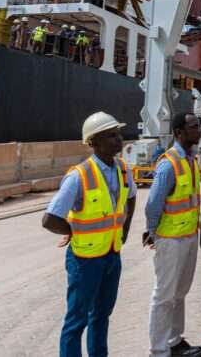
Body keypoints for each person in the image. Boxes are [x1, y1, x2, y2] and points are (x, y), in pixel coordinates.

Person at [42, 111, 136, 357]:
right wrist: (72, 231)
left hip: (111, 255)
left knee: (101, 317)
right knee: (77, 321)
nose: (119, 140)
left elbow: (132, 198)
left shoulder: (124, 170)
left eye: (119, 134)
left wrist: (124, 230)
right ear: (94, 143)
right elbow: (50, 219)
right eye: (112, 136)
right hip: (84, 261)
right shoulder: (79, 176)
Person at [143, 112, 201, 357]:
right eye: (193, 127)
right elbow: (153, 204)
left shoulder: (191, 159)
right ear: (179, 133)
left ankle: (174, 340)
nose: (199, 130)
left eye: (198, 125)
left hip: (188, 236)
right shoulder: (169, 163)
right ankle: (158, 350)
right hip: (170, 239)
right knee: (164, 295)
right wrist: (152, 231)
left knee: (179, 293)